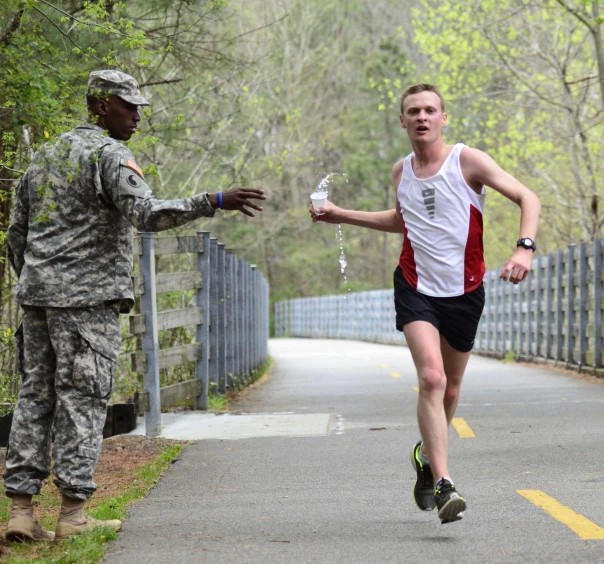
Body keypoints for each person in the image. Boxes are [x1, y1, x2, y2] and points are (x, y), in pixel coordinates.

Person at [3, 70, 266, 542]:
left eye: (141, 108)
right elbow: (146, 214)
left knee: (36, 398)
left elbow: (15, 234)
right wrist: (212, 200)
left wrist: (37, 281)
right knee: (83, 401)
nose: (138, 117)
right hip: (86, 305)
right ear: (102, 106)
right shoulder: (110, 156)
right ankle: (73, 515)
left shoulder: (45, 156)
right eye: (129, 107)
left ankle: (21, 513)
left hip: (38, 301)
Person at [311, 83, 540, 524]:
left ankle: (425, 459)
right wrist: (341, 215)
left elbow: (527, 197)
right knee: (432, 379)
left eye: (430, 110)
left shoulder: (467, 161)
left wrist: (523, 248)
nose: (422, 117)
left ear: (443, 118)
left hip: (466, 291)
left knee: (451, 389)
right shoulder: (402, 172)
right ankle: (444, 484)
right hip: (416, 286)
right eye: (413, 111)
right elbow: (404, 219)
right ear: (402, 121)